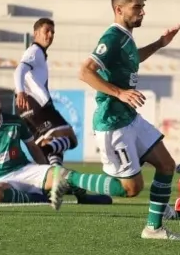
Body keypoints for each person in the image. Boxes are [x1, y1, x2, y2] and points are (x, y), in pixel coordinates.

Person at [77, 0, 180, 240]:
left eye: (143, 7)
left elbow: (133, 57)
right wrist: (119, 92)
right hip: (112, 122)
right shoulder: (112, 37)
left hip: (130, 117)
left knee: (166, 164)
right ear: (119, 9)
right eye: (136, 7)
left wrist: (160, 43)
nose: (142, 12)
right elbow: (84, 72)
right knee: (130, 189)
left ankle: (153, 228)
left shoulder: (125, 38)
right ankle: (69, 179)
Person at [13, 18, 112, 206]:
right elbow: (19, 70)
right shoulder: (35, 51)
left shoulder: (38, 53)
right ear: (36, 34)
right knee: (71, 138)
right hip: (37, 105)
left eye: (53, 32)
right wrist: (21, 91)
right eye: (46, 31)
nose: (50, 35)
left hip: (25, 110)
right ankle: (48, 155)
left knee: (53, 148)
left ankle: (55, 184)